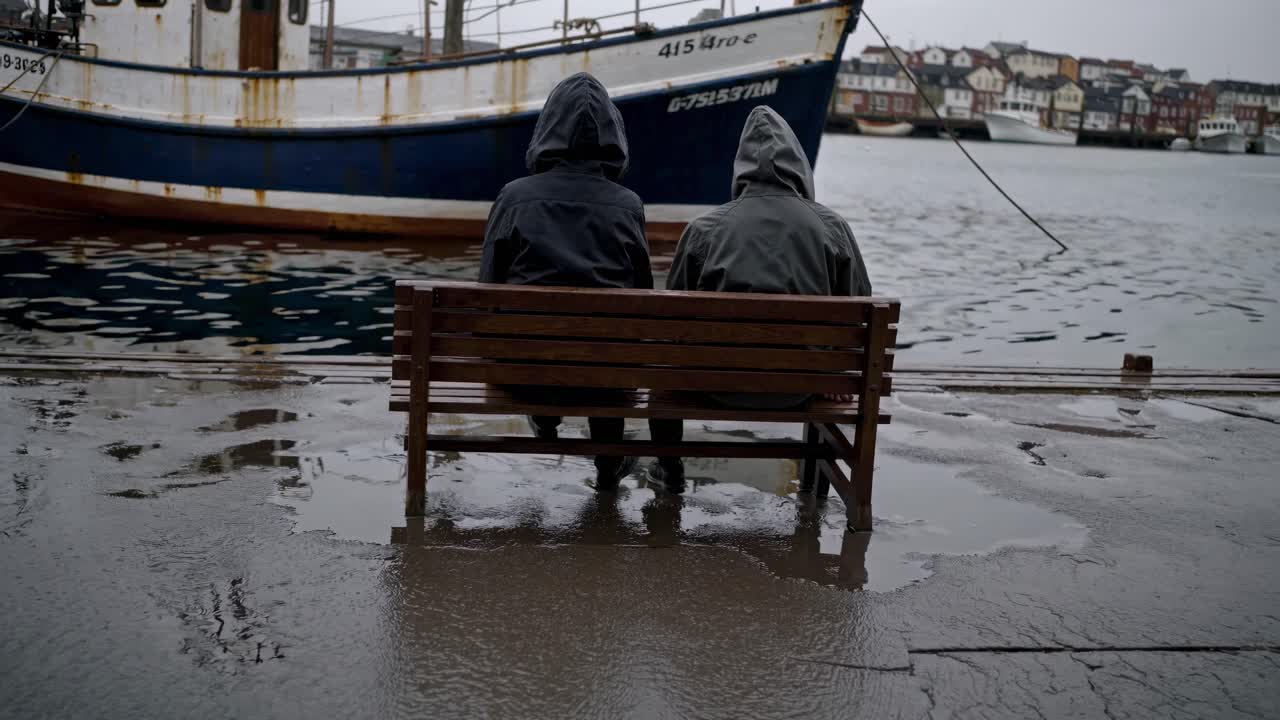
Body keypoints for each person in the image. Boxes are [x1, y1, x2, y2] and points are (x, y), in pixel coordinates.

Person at [648, 106, 873, 492]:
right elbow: (860, 307)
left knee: (660, 377)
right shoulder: (832, 228)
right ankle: (816, 488)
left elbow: (672, 318)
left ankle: (670, 472)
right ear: (799, 166)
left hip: (713, 383)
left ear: (741, 166)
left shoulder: (705, 228)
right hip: (802, 386)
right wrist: (834, 370)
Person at [479, 72, 652, 491]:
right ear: (614, 136)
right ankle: (608, 466)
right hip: (603, 376)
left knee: (553, 343)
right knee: (609, 350)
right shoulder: (628, 206)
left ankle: (544, 415)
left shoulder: (514, 196)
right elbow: (644, 298)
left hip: (524, 371)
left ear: (547, 131)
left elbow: (487, 288)